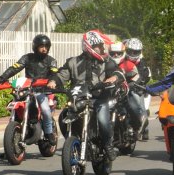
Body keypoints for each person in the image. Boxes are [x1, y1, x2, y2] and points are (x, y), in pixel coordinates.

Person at [47, 30, 125, 161]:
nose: (102, 49)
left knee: (103, 120)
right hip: (78, 99)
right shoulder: (73, 62)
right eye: (99, 46)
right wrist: (53, 81)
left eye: (102, 46)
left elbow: (118, 73)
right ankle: (73, 142)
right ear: (89, 46)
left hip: (99, 99)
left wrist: (113, 79)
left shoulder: (106, 62)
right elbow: (62, 75)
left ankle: (107, 145)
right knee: (63, 116)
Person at [0, 34, 57, 146]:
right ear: (35, 47)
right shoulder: (27, 58)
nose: (44, 49)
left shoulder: (51, 61)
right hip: (28, 90)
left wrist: (52, 81)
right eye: (41, 46)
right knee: (14, 103)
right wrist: (2, 79)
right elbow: (15, 68)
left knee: (46, 110)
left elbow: (54, 73)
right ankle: (10, 142)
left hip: (42, 91)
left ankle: (49, 133)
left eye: (46, 46)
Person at [120, 38, 151, 140]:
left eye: (135, 52)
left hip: (137, 89)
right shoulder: (121, 59)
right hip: (123, 88)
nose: (133, 53)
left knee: (140, 107)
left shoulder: (142, 62)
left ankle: (143, 127)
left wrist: (138, 82)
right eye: (130, 51)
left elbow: (146, 75)